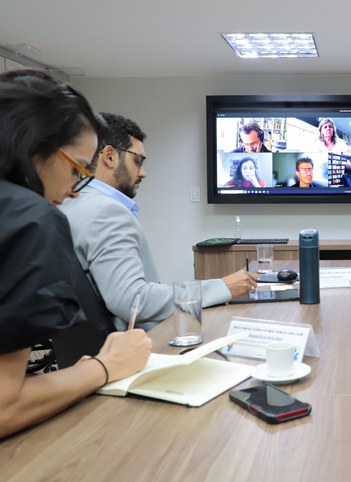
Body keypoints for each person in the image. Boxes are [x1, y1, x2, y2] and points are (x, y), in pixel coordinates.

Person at [0, 69, 152, 439]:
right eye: (77, 169)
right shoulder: (30, 219)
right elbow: (5, 406)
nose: (73, 190)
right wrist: (104, 367)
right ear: (37, 149)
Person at [61, 113, 259, 330]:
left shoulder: (70, 204)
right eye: (138, 161)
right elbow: (133, 300)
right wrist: (222, 287)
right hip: (142, 348)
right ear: (109, 157)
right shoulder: (105, 213)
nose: (143, 173)